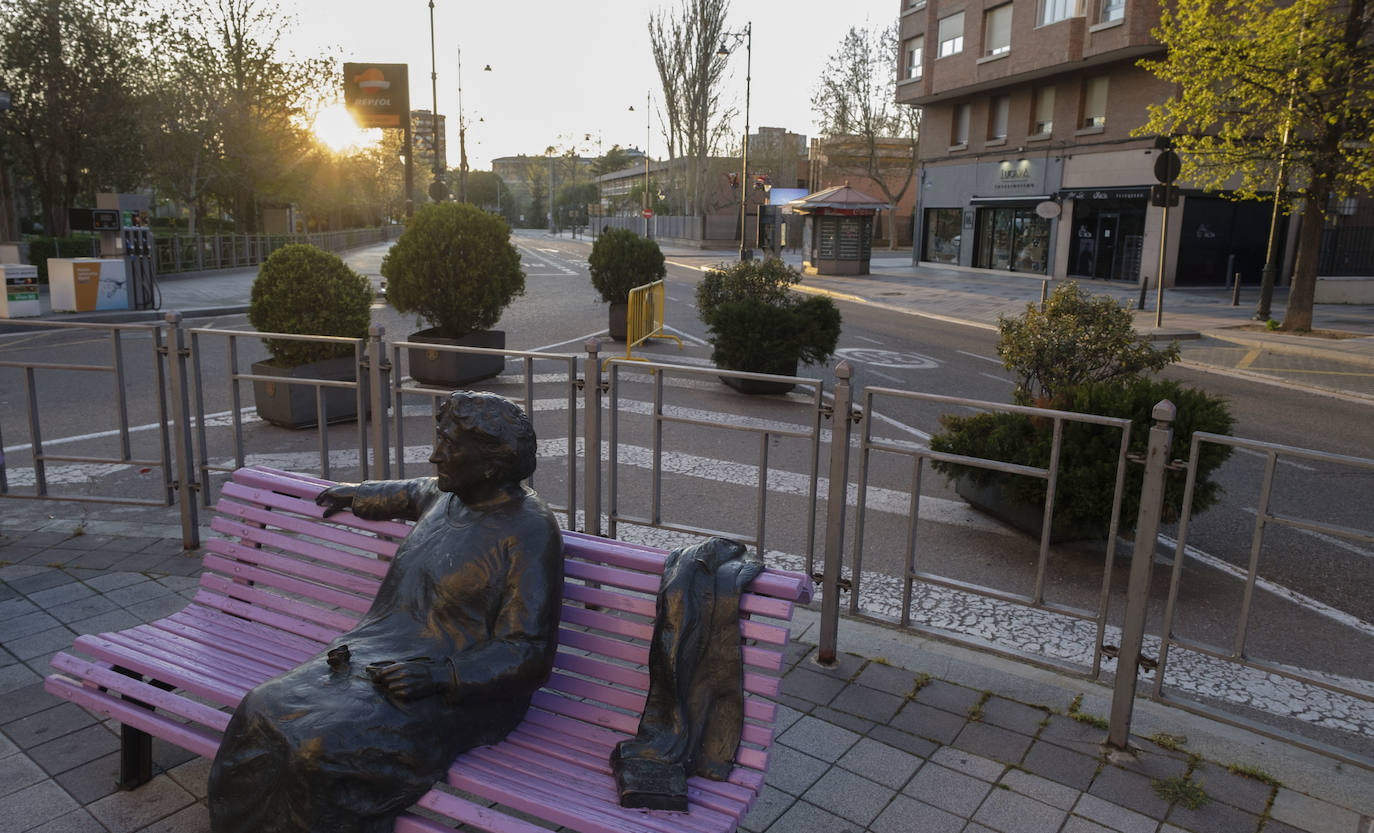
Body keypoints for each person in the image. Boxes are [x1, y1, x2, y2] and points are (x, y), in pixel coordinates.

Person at [208, 391, 563, 833]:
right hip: (381, 655)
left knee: (320, 746)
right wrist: (357, 494)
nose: (435, 455)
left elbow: (527, 652)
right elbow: (409, 492)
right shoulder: (447, 498)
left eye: (449, 447)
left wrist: (441, 676)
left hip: (459, 689)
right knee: (260, 707)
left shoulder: (529, 531)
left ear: (490, 465)